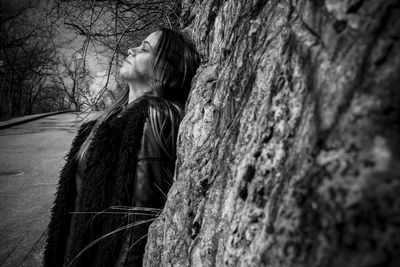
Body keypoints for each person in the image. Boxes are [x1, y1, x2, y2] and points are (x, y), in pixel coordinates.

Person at [44, 28, 200, 267]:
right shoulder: (109, 121)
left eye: (145, 49)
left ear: (163, 70)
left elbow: (135, 229)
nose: (131, 49)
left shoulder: (152, 118)